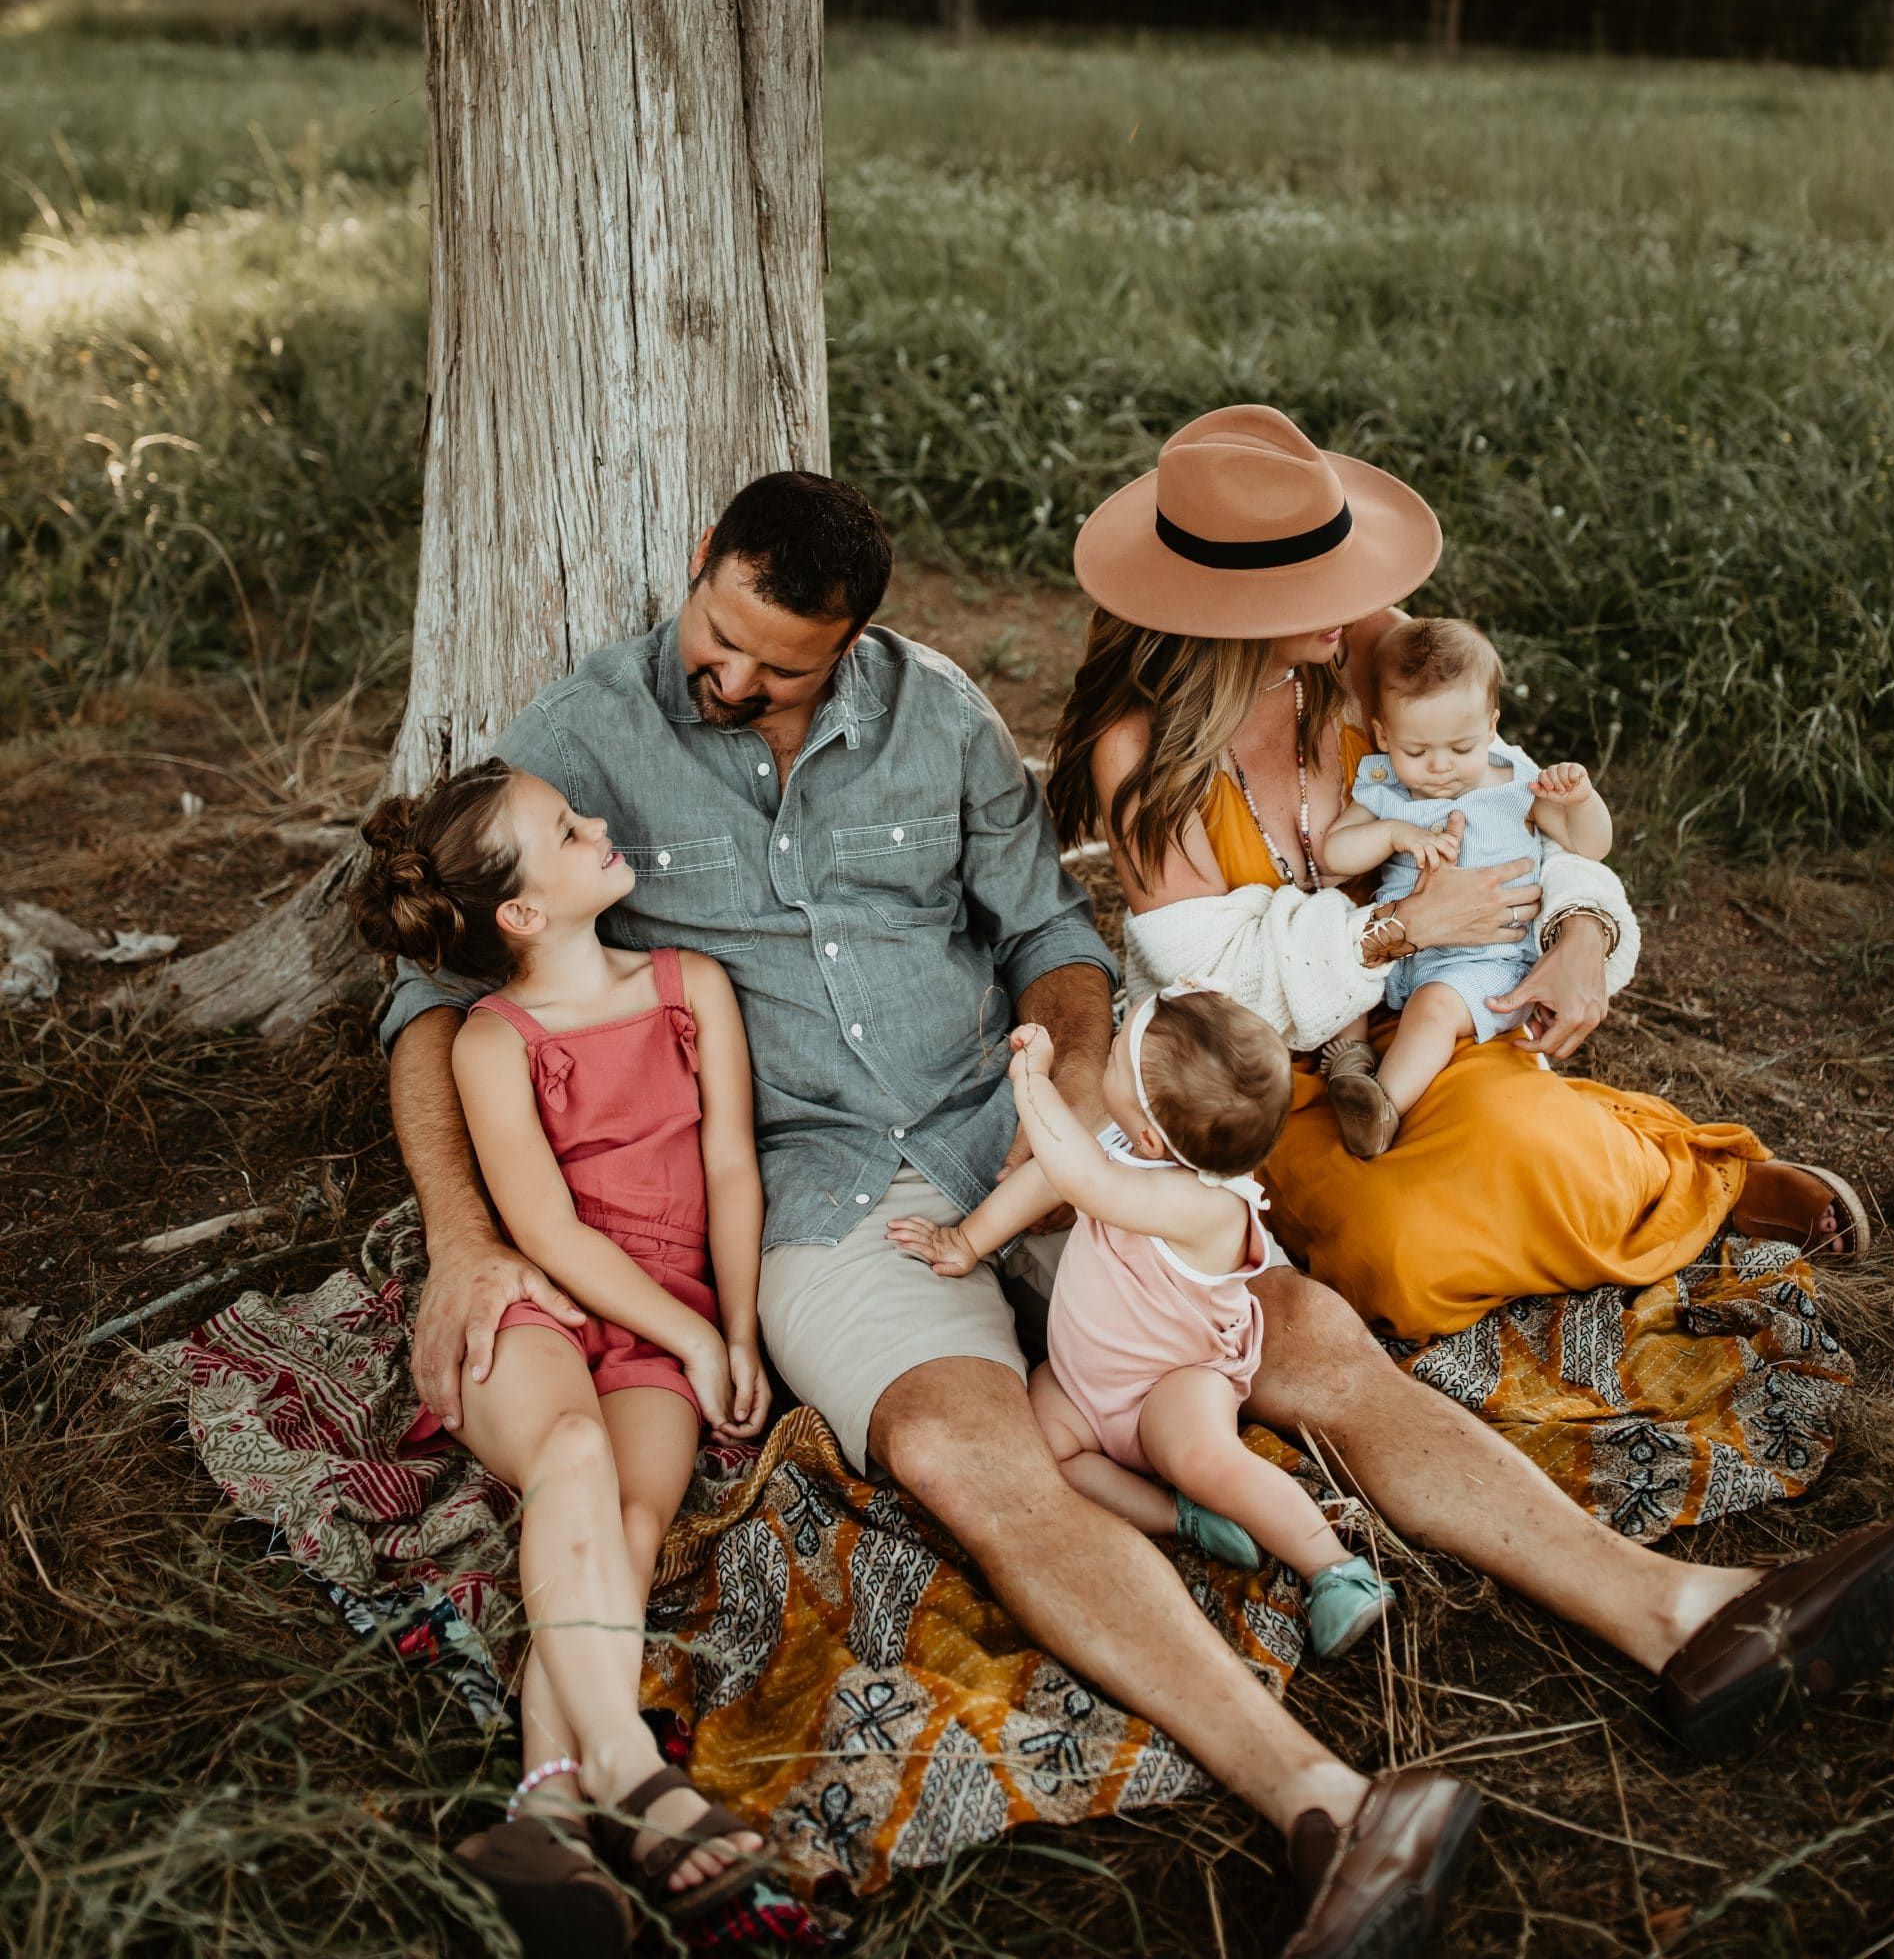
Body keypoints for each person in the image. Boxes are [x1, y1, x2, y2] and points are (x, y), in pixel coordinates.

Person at [1044, 404, 1894, 1933]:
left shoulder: (1372, 656)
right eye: (1309, 585)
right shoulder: (1147, 753)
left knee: (1518, 1135)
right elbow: (1225, 1004)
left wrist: (1580, 928)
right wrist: (1390, 933)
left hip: (1435, 1029)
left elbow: (1520, 807)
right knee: (1392, 1254)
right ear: (1221, 604)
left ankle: (1688, 1166)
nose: (1350, 606)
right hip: (1274, 1085)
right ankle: (1654, 1169)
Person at [351, 760, 790, 1953]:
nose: (601, 824)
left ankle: (540, 1808)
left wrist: (733, 1329)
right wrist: (694, 1332)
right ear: (521, 914)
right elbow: (540, 1231)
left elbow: (733, 1171)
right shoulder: (492, 1042)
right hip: (547, 1300)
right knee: (571, 1449)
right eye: (566, 828)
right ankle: (634, 1774)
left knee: (635, 1526)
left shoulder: (691, 987)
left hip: (670, 1308)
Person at [889, 993, 1395, 1660]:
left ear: (1155, 1135)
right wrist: (968, 1242)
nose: (1110, 1052)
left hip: (1175, 1381)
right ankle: (1183, 1519)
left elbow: (1080, 1176)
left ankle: (1332, 1568)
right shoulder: (1132, 1151)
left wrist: (1032, 1082)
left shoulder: (1205, 1206)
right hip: (1083, 1381)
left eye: (1119, 1063)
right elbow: (1051, 1178)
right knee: (1046, 1449)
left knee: (1199, 1457)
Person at [1314, 614, 1618, 1158]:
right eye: (1417, 751)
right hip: (1397, 944)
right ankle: (1350, 1060)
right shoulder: (1387, 786)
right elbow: (1334, 854)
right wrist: (1392, 832)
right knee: (1339, 966)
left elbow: (1589, 845)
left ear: (1492, 725)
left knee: (1432, 1008)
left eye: (1461, 748)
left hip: (1484, 963)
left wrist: (1582, 801)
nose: (1439, 768)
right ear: (1384, 734)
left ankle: (1380, 1106)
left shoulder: (1516, 781)